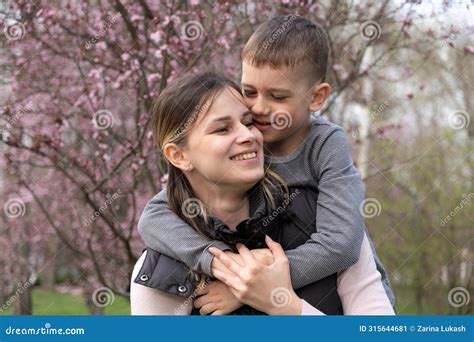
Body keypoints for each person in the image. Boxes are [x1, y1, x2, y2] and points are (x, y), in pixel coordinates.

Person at [136, 15, 395, 314]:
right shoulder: (252, 141)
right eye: (249, 93)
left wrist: (253, 285)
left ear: (317, 97)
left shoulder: (325, 144)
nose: (258, 110)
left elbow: (342, 244)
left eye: (277, 96)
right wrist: (221, 262)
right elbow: (154, 215)